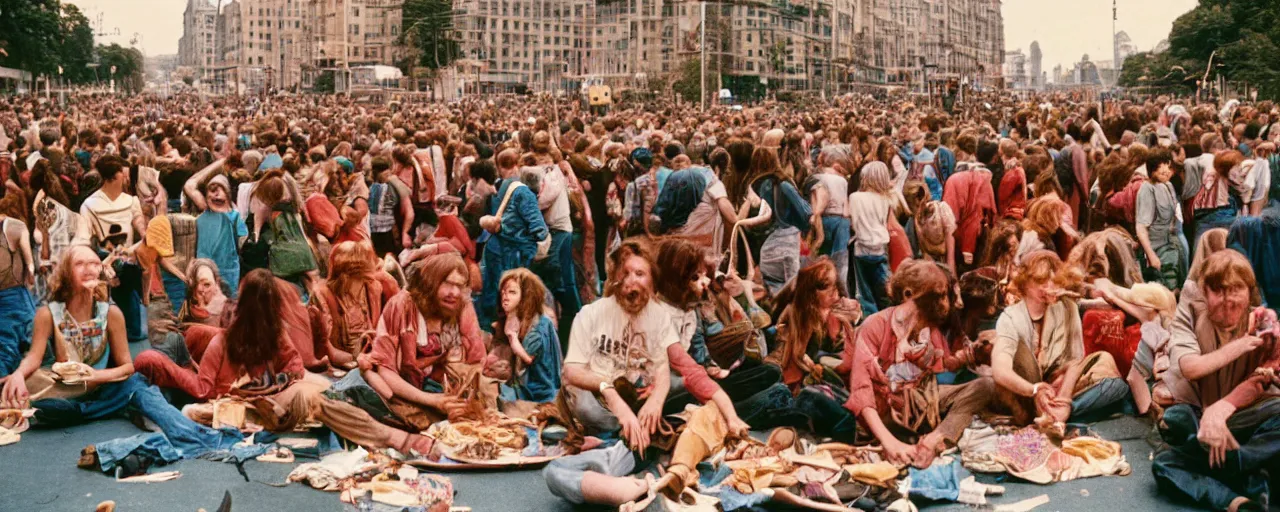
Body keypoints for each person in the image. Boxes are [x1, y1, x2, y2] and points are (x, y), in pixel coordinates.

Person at [132, 268, 436, 454]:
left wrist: (275, 389)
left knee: (323, 394)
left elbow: (294, 370)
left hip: (277, 402)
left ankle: (405, 431)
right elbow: (205, 390)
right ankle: (403, 437)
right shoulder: (221, 340)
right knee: (190, 409)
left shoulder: (275, 335)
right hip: (235, 409)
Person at [549, 239, 749, 507]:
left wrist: (732, 418)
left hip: (636, 439)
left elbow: (692, 375)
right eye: (626, 273)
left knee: (558, 472)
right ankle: (632, 486)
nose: (632, 281)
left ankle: (635, 486)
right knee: (555, 471)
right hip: (603, 418)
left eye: (640, 274)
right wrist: (611, 394)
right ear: (615, 279)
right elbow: (572, 372)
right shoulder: (591, 315)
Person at [1154, 251, 1280, 512]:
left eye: (1236, 289)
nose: (1228, 300)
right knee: (1165, 458)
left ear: (1249, 292)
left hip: (1243, 415)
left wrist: (1222, 408)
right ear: (1204, 291)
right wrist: (1241, 345)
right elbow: (1191, 367)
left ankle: (1232, 463)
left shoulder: (1263, 321)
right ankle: (1237, 501)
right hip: (1201, 415)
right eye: (1219, 290)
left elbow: (1264, 378)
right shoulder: (1189, 318)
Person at [845, 259, 994, 467]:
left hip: (923, 402)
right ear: (909, 295)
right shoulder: (875, 325)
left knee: (986, 385)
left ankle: (936, 438)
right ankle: (907, 440)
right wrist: (890, 444)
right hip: (887, 411)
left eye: (944, 296)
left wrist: (974, 353)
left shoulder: (929, 327)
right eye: (938, 296)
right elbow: (862, 393)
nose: (945, 304)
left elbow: (944, 364)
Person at [992, 250, 1130, 424]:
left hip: (1060, 388)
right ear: (1025, 283)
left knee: (1115, 384)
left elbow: (1075, 362)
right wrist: (1034, 389)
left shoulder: (1066, 307)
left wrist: (1064, 399)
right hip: (1025, 392)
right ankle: (1061, 414)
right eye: (1041, 281)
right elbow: (1000, 370)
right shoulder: (1010, 317)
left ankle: (1060, 414)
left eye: (1053, 280)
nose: (1049, 286)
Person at [359, 254, 484, 428]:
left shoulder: (461, 304)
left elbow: (477, 361)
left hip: (447, 391)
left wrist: (466, 399)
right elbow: (386, 371)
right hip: (407, 392)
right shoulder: (401, 305)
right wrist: (432, 400)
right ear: (430, 282)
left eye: (459, 286)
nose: (454, 292)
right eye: (447, 283)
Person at [79, 154, 148, 343]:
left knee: (127, 299)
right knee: (113, 302)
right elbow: (84, 238)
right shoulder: (90, 205)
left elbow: (138, 220)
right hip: (106, 261)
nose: (126, 178)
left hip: (128, 258)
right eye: (122, 174)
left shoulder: (130, 200)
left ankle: (126, 333)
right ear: (114, 177)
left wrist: (143, 232)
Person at [477, 153, 549, 330]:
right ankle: (507, 333)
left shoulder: (504, 185)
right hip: (512, 254)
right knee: (510, 296)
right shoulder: (526, 196)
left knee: (494, 294)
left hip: (495, 248)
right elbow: (540, 231)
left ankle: (491, 331)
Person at [488, 268, 562, 403]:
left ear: (526, 296)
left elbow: (528, 358)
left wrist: (513, 338)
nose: (505, 296)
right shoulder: (518, 320)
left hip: (539, 392)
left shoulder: (538, 326)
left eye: (512, 292)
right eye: (504, 292)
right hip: (526, 387)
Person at [183, 158, 248, 298]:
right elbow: (190, 185)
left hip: (228, 270)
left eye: (220, 190)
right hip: (204, 270)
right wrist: (222, 160)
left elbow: (243, 241)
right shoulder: (203, 212)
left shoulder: (233, 216)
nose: (216, 194)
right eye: (212, 191)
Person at [942, 134, 996, 275]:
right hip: (980, 235)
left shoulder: (954, 180)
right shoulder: (985, 178)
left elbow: (949, 214)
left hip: (958, 237)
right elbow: (991, 212)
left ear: (959, 153)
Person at [1135, 148, 1186, 291]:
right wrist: (1151, 255)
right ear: (1152, 170)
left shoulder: (1168, 186)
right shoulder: (1146, 189)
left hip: (1170, 246)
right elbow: (1141, 227)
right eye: (1162, 170)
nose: (1167, 173)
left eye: (1168, 168)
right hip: (1154, 249)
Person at [848, 161, 895, 315]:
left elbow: (852, 222)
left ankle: (870, 320)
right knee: (883, 290)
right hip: (880, 248)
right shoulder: (886, 199)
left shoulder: (855, 197)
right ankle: (887, 316)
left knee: (864, 292)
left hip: (861, 249)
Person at [0, 190, 34, 376]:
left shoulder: (12, 227)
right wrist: (30, 272)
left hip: (14, 298)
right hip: (14, 298)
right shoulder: (14, 226)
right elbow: (30, 264)